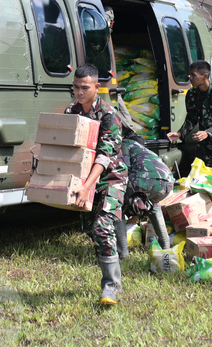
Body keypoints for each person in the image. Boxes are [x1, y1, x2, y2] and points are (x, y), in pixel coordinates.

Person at [68, 64, 129, 305]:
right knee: (92, 231)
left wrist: (86, 187)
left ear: (97, 87)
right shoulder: (71, 112)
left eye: (85, 88)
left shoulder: (108, 115)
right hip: (85, 180)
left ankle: (111, 287)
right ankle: (114, 270)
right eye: (76, 87)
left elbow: (104, 156)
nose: (79, 92)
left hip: (111, 177)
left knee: (103, 227)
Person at [167, 60, 212, 175]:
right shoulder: (191, 94)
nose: (190, 78)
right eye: (189, 74)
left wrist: (207, 133)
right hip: (204, 144)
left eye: (193, 75)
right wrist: (180, 133)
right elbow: (191, 118)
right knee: (199, 176)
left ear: (205, 76)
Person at [121, 134, 175, 253]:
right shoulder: (147, 152)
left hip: (144, 180)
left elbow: (124, 168)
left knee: (117, 203)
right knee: (154, 205)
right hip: (167, 184)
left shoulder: (125, 143)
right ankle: (166, 247)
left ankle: (122, 252)